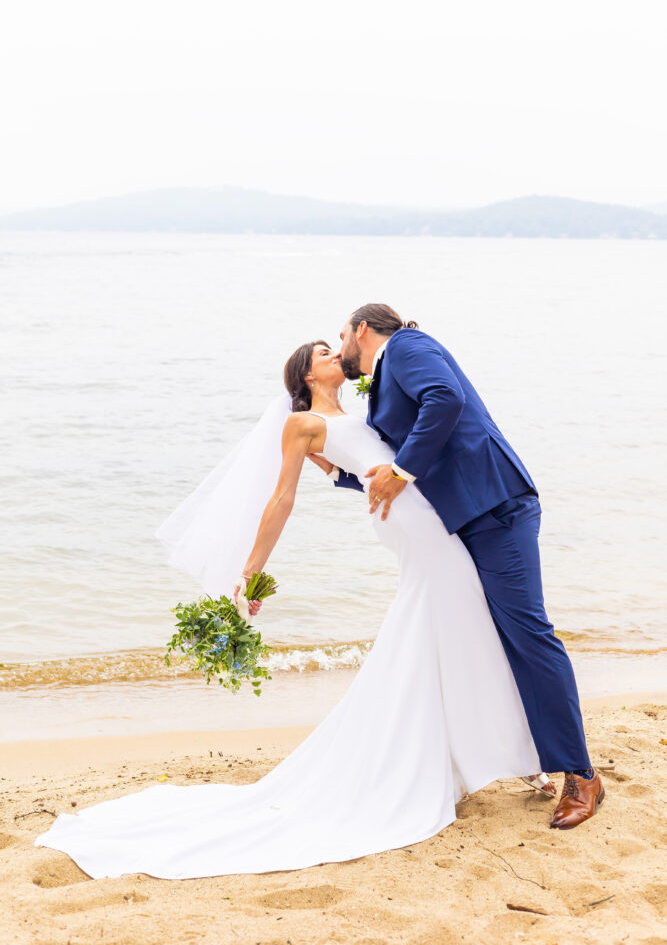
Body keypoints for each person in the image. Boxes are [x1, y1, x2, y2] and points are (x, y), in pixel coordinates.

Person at [35, 340, 552, 880]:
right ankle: (505, 755)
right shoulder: (301, 425)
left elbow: (359, 467)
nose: (336, 355)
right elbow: (281, 499)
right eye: (325, 352)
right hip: (409, 524)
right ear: (306, 374)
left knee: (454, 627)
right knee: (462, 619)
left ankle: (489, 754)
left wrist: (356, 471)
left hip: (416, 510)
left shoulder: (360, 414)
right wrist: (250, 575)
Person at [333, 304, 604, 830]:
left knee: (528, 634)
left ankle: (581, 774)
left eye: (341, 334)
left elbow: (446, 400)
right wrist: (341, 470)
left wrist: (403, 470)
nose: (339, 343)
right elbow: (396, 452)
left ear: (364, 330)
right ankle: (519, 758)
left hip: (497, 506)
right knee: (487, 637)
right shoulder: (388, 376)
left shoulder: (408, 347)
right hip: (466, 517)